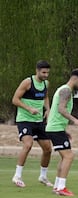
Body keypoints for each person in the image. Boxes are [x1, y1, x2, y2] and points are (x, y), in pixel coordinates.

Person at [11, 60, 53, 188]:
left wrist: (48, 109)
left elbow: (45, 97)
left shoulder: (46, 83)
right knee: (28, 144)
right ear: (37, 71)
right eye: (43, 72)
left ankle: (43, 176)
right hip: (24, 120)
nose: (46, 75)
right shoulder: (28, 82)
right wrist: (29, 108)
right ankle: (17, 176)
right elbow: (15, 99)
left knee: (48, 149)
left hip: (38, 121)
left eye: (47, 73)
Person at [46, 69, 78, 196]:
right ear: (75, 78)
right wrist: (75, 120)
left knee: (65, 157)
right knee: (69, 156)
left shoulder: (63, 89)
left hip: (57, 128)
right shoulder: (66, 90)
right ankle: (61, 188)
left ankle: (58, 186)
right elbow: (61, 109)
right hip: (55, 128)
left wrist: (65, 130)